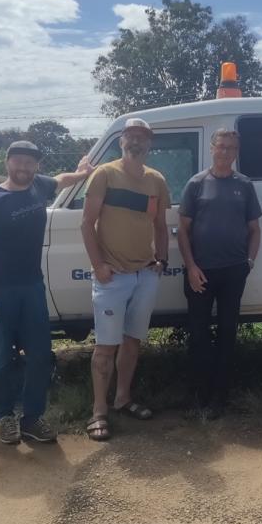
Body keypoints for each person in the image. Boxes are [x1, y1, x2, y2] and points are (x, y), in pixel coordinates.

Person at [0, 141, 93, 445]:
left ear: (36, 166)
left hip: (32, 287)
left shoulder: (38, 186)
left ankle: (32, 418)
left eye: (30, 163)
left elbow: (60, 180)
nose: (24, 168)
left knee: (39, 354)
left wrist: (80, 174)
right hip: (1, 291)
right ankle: (4, 417)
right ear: (7, 162)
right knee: (0, 358)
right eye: (18, 161)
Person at [80, 118, 170, 441]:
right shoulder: (104, 174)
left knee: (132, 341)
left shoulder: (157, 181)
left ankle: (123, 398)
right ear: (121, 141)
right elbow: (86, 224)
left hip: (144, 274)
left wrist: (161, 259)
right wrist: (99, 265)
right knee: (105, 346)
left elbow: (161, 224)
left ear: (149, 144)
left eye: (142, 137)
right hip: (112, 276)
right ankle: (98, 411)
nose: (136, 141)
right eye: (131, 136)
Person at [177, 129, 262, 417]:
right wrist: (190, 267)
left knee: (227, 334)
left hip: (233, 273)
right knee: (199, 335)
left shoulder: (245, 185)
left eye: (232, 148)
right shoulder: (196, 184)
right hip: (200, 273)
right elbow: (183, 231)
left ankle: (220, 397)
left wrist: (248, 263)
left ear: (237, 152)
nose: (226, 152)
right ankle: (198, 395)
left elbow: (255, 230)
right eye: (222, 146)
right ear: (212, 149)